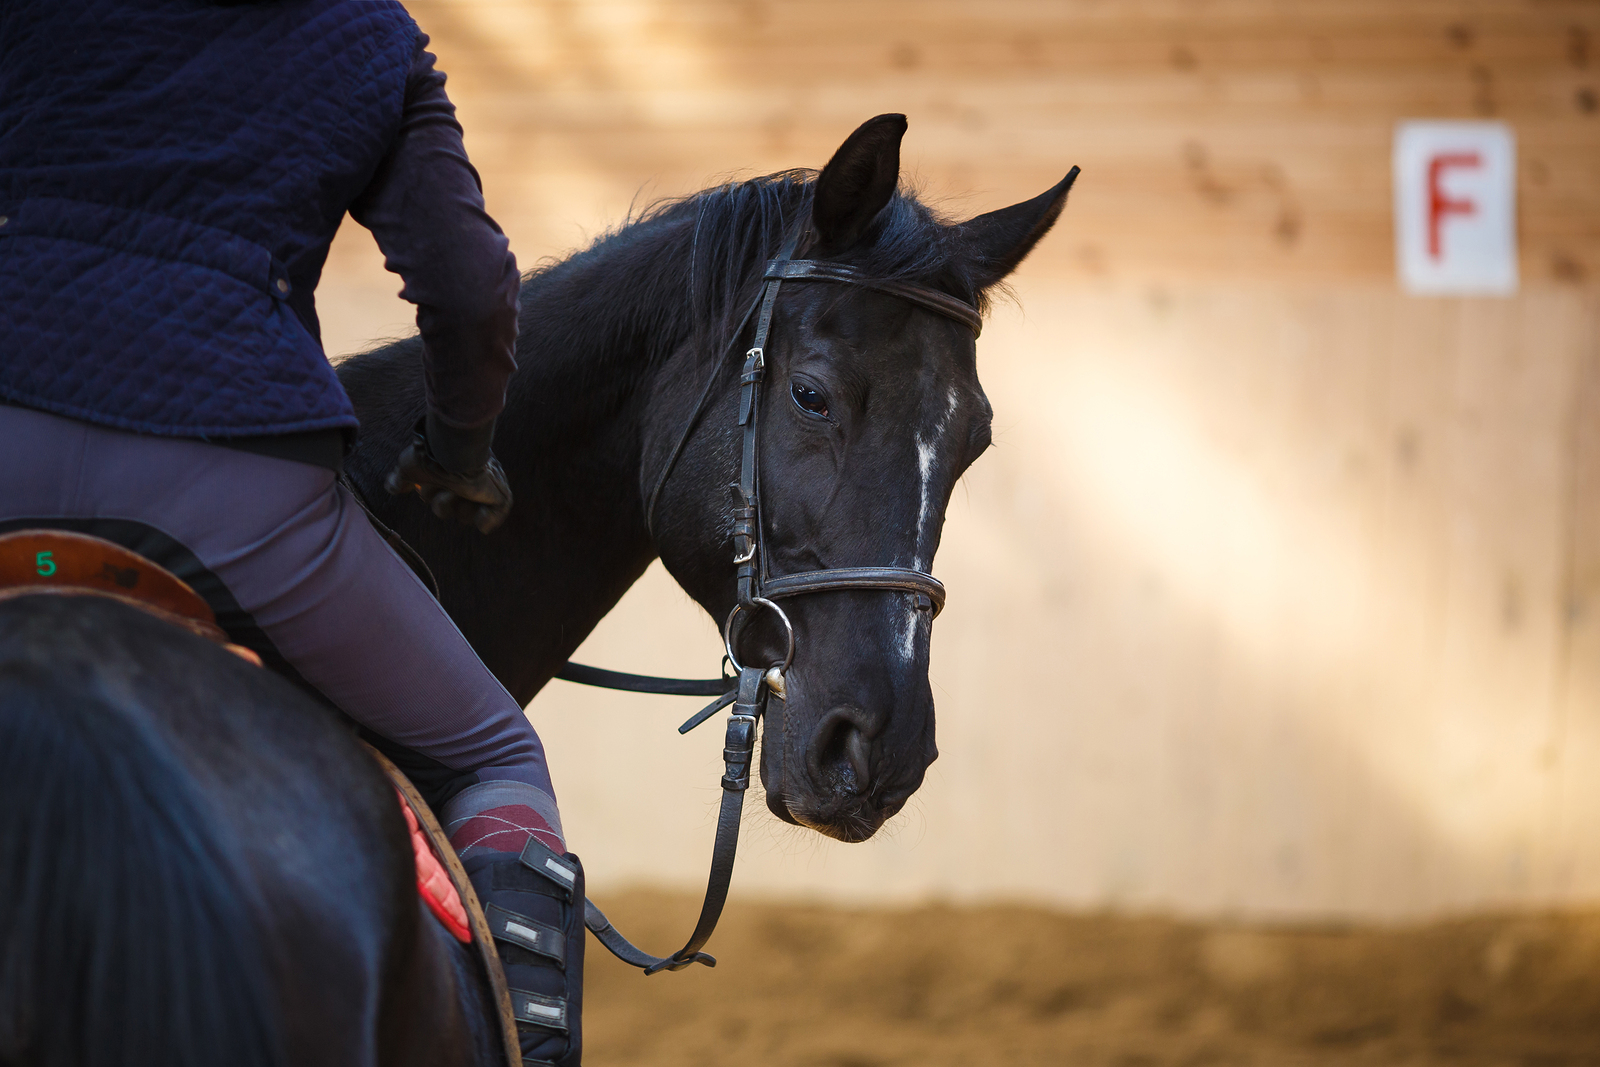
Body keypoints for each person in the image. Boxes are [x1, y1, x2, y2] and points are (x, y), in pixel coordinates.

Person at [0, 1, 583, 1062]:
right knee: (495, 751)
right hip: (229, 489)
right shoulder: (368, 34)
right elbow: (467, 290)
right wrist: (458, 448)